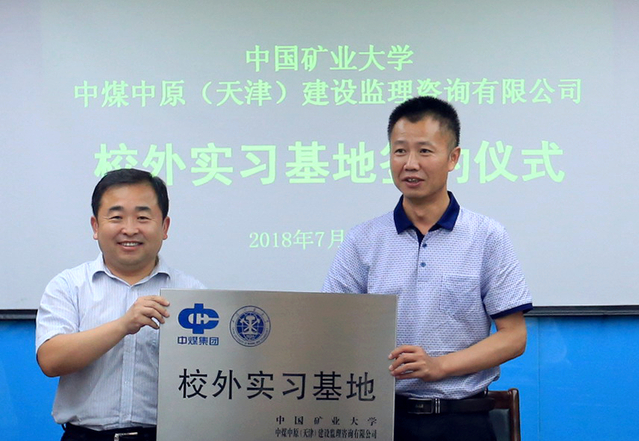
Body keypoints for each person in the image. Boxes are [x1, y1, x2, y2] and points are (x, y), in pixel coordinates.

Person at [322, 96, 532, 441]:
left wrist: (439, 366)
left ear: (453, 158)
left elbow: (514, 337)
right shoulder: (363, 239)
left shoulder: (486, 236)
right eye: (400, 151)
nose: (410, 164)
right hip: (380, 420)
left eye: (424, 151)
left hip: (463, 421)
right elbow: (332, 325)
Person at [36, 168, 205, 441]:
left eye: (142, 217)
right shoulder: (69, 286)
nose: (129, 229)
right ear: (95, 226)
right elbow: (50, 360)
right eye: (116, 217)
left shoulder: (191, 292)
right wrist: (123, 325)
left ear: (164, 227)